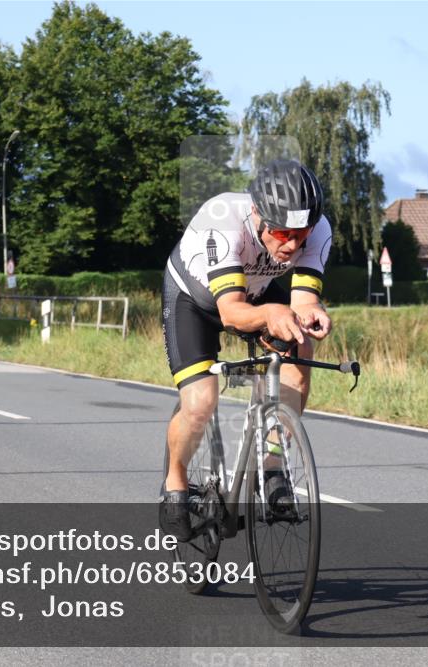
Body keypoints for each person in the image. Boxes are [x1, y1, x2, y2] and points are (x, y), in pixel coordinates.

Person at [159, 159, 333, 541]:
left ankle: (272, 468)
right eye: (282, 233)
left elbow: (303, 301)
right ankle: (175, 480)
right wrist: (271, 313)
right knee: (201, 403)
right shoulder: (223, 222)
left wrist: (311, 313)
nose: (291, 245)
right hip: (196, 300)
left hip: (255, 289)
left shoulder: (317, 229)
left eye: (300, 235)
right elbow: (232, 313)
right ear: (257, 213)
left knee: (299, 345)